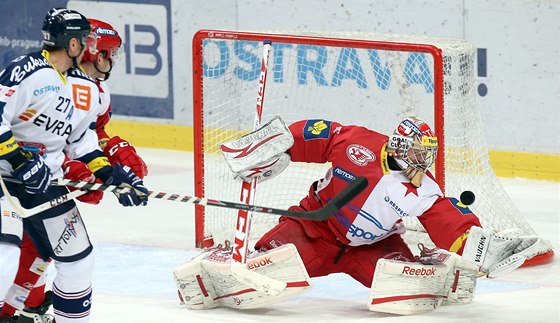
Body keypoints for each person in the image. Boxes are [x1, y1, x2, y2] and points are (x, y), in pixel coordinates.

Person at [173, 116, 540, 314]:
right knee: (268, 269)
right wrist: (277, 147)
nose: (423, 162)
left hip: (369, 248)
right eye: (417, 153)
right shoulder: (358, 144)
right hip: (313, 228)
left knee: (403, 288)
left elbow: (450, 220)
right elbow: (318, 134)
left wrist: (479, 247)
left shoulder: (425, 189)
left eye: (426, 154)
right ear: (397, 146)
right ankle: (217, 265)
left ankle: (438, 269)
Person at [0, 8, 148, 323]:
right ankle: (21, 306)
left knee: (79, 263)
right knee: (6, 257)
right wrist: (19, 161)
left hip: (47, 186)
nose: (87, 45)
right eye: (83, 39)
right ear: (72, 44)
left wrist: (111, 175)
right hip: (5, 182)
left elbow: (82, 139)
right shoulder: (27, 70)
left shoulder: (87, 88)